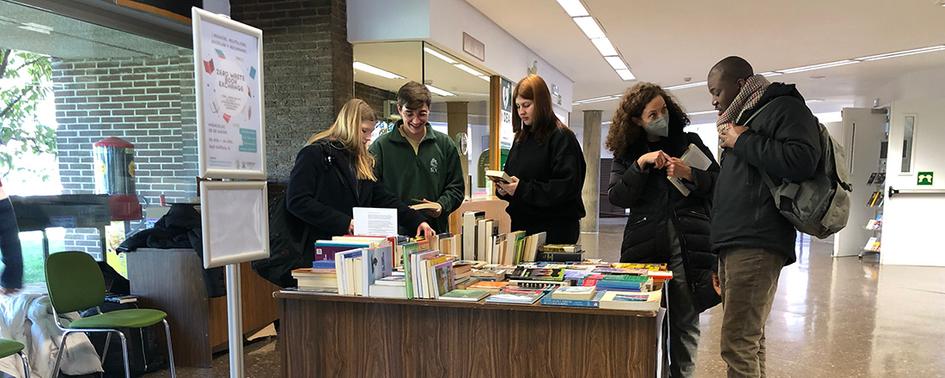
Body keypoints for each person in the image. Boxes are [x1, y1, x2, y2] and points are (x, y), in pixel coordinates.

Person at [707, 56, 822, 378]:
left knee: (738, 342)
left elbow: (802, 160)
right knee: (749, 339)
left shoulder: (784, 108)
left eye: (717, 90)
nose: (714, 99)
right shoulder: (745, 118)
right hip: (735, 241)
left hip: (756, 240)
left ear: (741, 84)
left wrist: (743, 140)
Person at [605, 82, 720, 378]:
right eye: (652, 113)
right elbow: (618, 197)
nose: (661, 117)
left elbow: (719, 185)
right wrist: (640, 166)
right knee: (647, 325)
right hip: (645, 248)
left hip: (689, 247)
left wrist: (690, 174)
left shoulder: (689, 141)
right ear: (636, 121)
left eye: (664, 110)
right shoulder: (627, 152)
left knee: (685, 324)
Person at [286, 98, 435, 247]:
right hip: (317, 248)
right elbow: (297, 200)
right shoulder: (315, 154)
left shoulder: (361, 162)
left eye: (371, 131)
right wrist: (345, 223)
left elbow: (384, 198)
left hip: (352, 247)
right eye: (364, 131)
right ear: (349, 125)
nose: (368, 137)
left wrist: (416, 220)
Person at [495, 74, 586, 244]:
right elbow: (513, 177)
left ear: (541, 103)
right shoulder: (520, 139)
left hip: (555, 230)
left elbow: (565, 188)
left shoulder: (563, 137)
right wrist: (504, 188)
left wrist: (521, 189)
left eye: (526, 105)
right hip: (523, 228)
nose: (521, 111)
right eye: (517, 106)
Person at [369, 82, 465, 234]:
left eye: (422, 114)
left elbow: (456, 188)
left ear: (429, 110)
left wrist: (441, 205)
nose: (415, 120)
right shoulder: (380, 147)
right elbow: (372, 192)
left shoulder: (445, 144)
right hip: (395, 235)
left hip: (435, 232)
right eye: (409, 114)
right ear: (399, 109)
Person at [0, 180, 23, 295]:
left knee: (11, 245)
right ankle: (10, 283)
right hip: (2, 201)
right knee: (11, 245)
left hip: (2, 201)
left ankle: (10, 283)